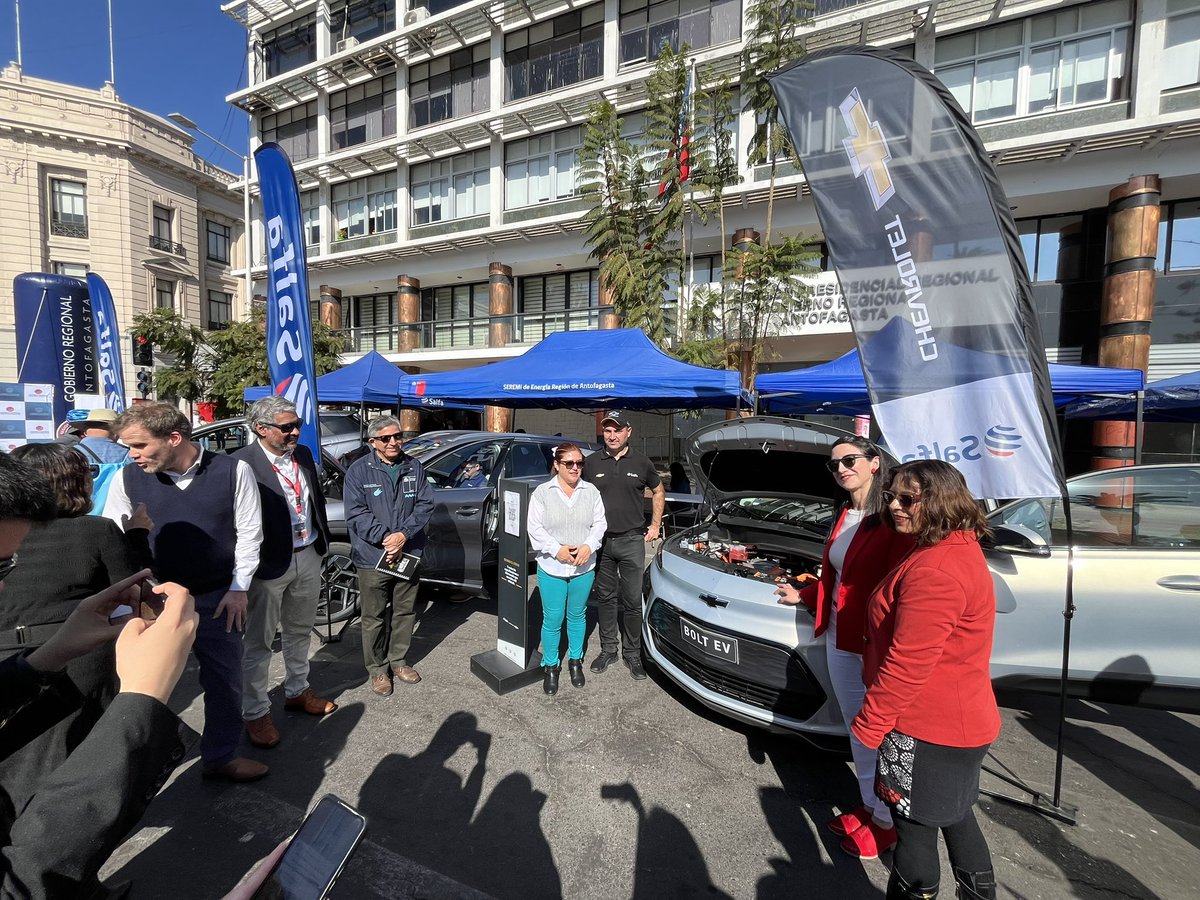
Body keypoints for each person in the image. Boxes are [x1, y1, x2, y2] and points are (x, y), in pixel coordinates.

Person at [0, 451, 198, 898]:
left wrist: (44, 658)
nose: (4, 586)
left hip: (55, 659)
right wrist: (142, 699)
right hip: (87, 673)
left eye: (8, 566)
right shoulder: (95, 530)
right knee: (67, 763)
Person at [852, 460, 1000, 900]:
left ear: (939, 500)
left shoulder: (936, 569)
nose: (894, 506)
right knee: (956, 816)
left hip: (924, 728)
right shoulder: (951, 545)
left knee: (914, 833)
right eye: (890, 496)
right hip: (958, 725)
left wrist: (871, 725)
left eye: (906, 498)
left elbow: (908, 663)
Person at [104, 401, 268, 783]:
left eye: (140, 446)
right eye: (129, 447)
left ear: (174, 438)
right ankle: (129, 773)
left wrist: (239, 588)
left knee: (225, 683)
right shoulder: (126, 479)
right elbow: (113, 539)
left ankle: (221, 756)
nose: (133, 455)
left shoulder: (232, 471)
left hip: (217, 599)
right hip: (153, 602)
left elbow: (249, 534)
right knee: (142, 689)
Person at [775, 437, 913, 860]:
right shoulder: (845, 513)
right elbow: (841, 577)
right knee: (859, 729)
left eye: (849, 460)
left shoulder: (893, 518)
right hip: (838, 633)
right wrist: (811, 594)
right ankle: (872, 806)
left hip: (872, 643)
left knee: (880, 730)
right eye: (834, 464)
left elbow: (902, 583)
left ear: (875, 463)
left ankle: (888, 823)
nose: (840, 469)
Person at [0, 444, 150, 831]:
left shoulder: (12, 532)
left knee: (20, 768)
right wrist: (136, 536)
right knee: (80, 771)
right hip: (81, 660)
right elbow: (133, 588)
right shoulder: (96, 529)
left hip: (9, 661)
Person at [233, 397, 335, 752]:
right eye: (287, 427)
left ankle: (296, 690)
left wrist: (320, 543)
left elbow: (315, 501)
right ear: (261, 429)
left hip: (308, 555)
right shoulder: (240, 464)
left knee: (299, 630)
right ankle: (256, 711)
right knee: (259, 642)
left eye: (297, 425)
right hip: (268, 565)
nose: (295, 432)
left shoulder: (303, 455)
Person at [344, 416, 434, 696]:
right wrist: (385, 537)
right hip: (373, 556)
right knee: (374, 616)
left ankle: (398, 662)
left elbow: (425, 503)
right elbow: (356, 513)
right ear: (373, 442)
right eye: (386, 438)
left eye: (398, 436)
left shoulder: (414, 466)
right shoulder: (358, 471)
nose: (394, 442)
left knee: (405, 611)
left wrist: (403, 535)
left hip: (407, 552)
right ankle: (378, 670)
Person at [581, 410, 665, 680]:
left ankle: (632, 653)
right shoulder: (591, 463)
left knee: (632, 600)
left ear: (629, 431)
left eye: (617, 430)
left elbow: (659, 490)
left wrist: (654, 525)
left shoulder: (642, 462)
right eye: (607, 430)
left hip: (631, 541)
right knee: (605, 599)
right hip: (602, 543)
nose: (612, 435)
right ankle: (608, 649)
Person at [527, 443, 606, 695]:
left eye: (579, 463)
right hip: (552, 566)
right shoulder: (542, 492)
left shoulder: (591, 491)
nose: (575, 468)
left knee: (577, 615)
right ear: (557, 465)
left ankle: (575, 660)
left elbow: (600, 524)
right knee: (552, 619)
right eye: (569, 463)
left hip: (583, 566)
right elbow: (535, 528)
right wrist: (556, 549)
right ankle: (551, 665)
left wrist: (588, 546)